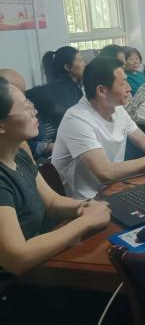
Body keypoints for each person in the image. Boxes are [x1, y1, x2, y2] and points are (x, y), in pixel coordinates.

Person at [0, 77, 111, 275]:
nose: (34, 112)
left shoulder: (19, 151)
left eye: (30, 104)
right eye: (25, 108)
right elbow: (17, 258)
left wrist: (86, 206)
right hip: (17, 281)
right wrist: (86, 221)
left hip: (41, 262)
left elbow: (51, 202)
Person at [52, 58, 145, 199]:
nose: (129, 88)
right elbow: (105, 172)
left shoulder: (117, 109)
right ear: (102, 91)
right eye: (123, 83)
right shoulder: (76, 119)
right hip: (84, 201)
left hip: (112, 188)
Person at [28, 47, 86, 159]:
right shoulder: (68, 91)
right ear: (67, 67)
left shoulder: (66, 88)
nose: (84, 64)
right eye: (80, 60)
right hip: (58, 149)